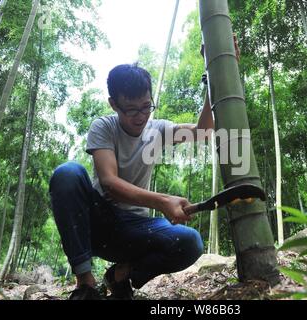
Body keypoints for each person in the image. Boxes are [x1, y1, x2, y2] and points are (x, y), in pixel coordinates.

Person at [49, 61, 214, 300]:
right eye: (131, 109)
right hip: (97, 224)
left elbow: (204, 131)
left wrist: (212, 78)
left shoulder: (157, 129)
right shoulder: (103, 127)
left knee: (190, 242)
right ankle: (85, 283)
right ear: (114, 104)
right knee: (67, 173)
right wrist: (163, 201)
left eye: (146, 107)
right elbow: (110, 183)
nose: (141, 116)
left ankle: (119, 276)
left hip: (134, 227)